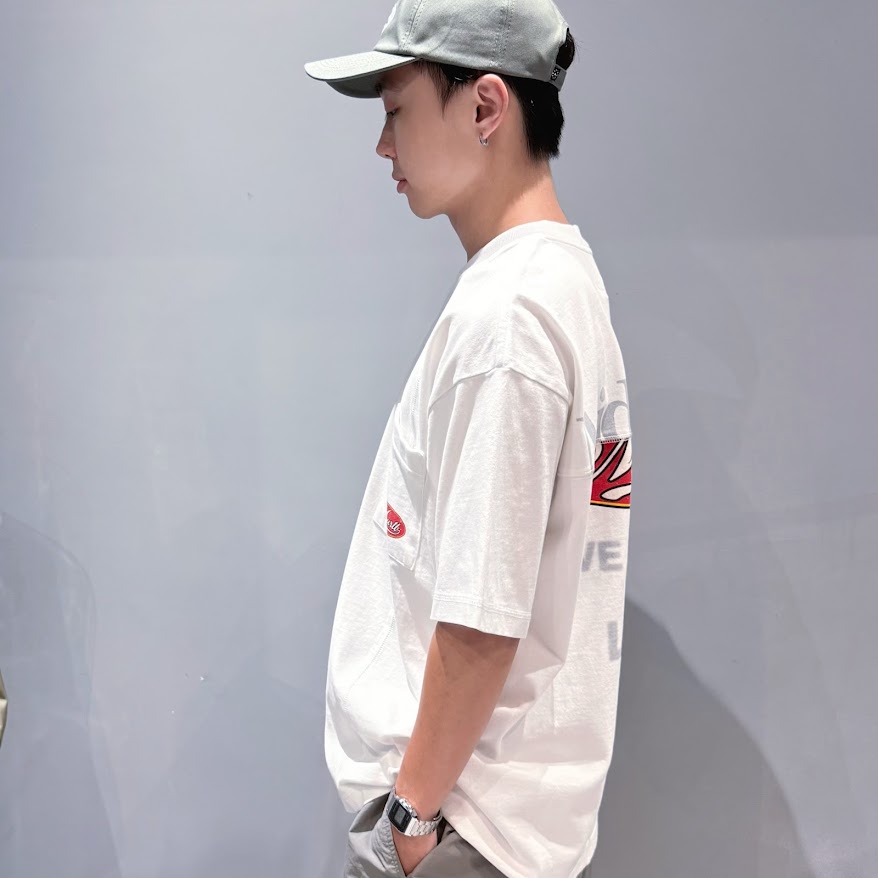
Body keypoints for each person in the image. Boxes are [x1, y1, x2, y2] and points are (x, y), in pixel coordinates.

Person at [305, 1, 632, 875]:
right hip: (495, 829)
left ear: (486, 106)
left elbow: (482, 619)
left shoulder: (509, 318)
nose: (383, 146)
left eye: (395, 109)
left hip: (462, 830)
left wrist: (408, 821)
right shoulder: (560, 283)